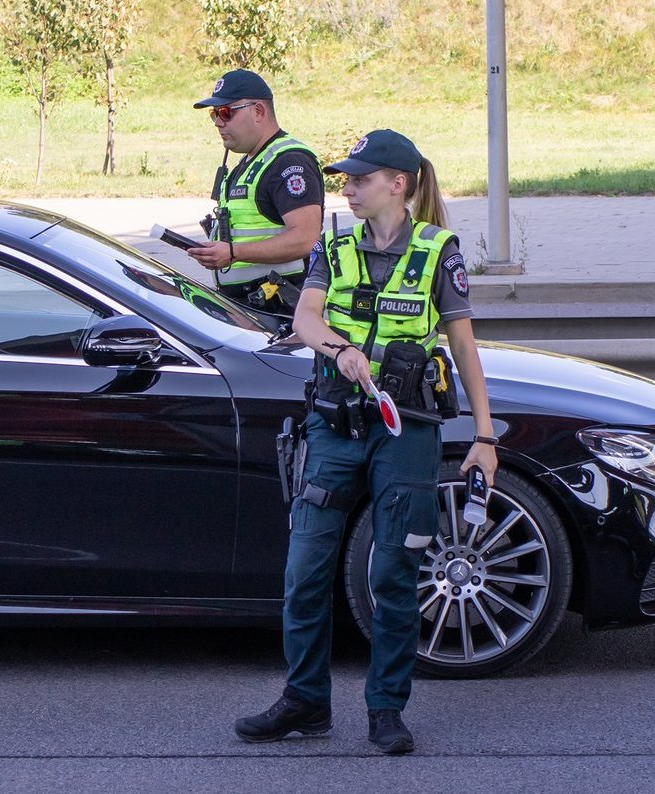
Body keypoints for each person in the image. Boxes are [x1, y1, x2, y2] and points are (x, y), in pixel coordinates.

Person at [234, 130, 499, 755]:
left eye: (359, 179)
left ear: (397, 184)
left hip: (405, 430)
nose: (346, 188)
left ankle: (385, 708)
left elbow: (463, 347)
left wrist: (485, 436)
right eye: (345, 179)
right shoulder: (336, 243)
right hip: (336, 423)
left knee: (393, 571)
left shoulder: (439, 251)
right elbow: (306, 319)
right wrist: (342, 351)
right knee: (305, 570)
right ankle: (305, 701)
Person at [190, 69, 322, 316]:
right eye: (214, 114)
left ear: (258, 111)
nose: (218, 122)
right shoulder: (251, 161)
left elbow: (306, 238)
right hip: (250, 310)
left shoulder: (289, 162)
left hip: (279, 311)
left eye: (226, 113)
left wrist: (233, 253)